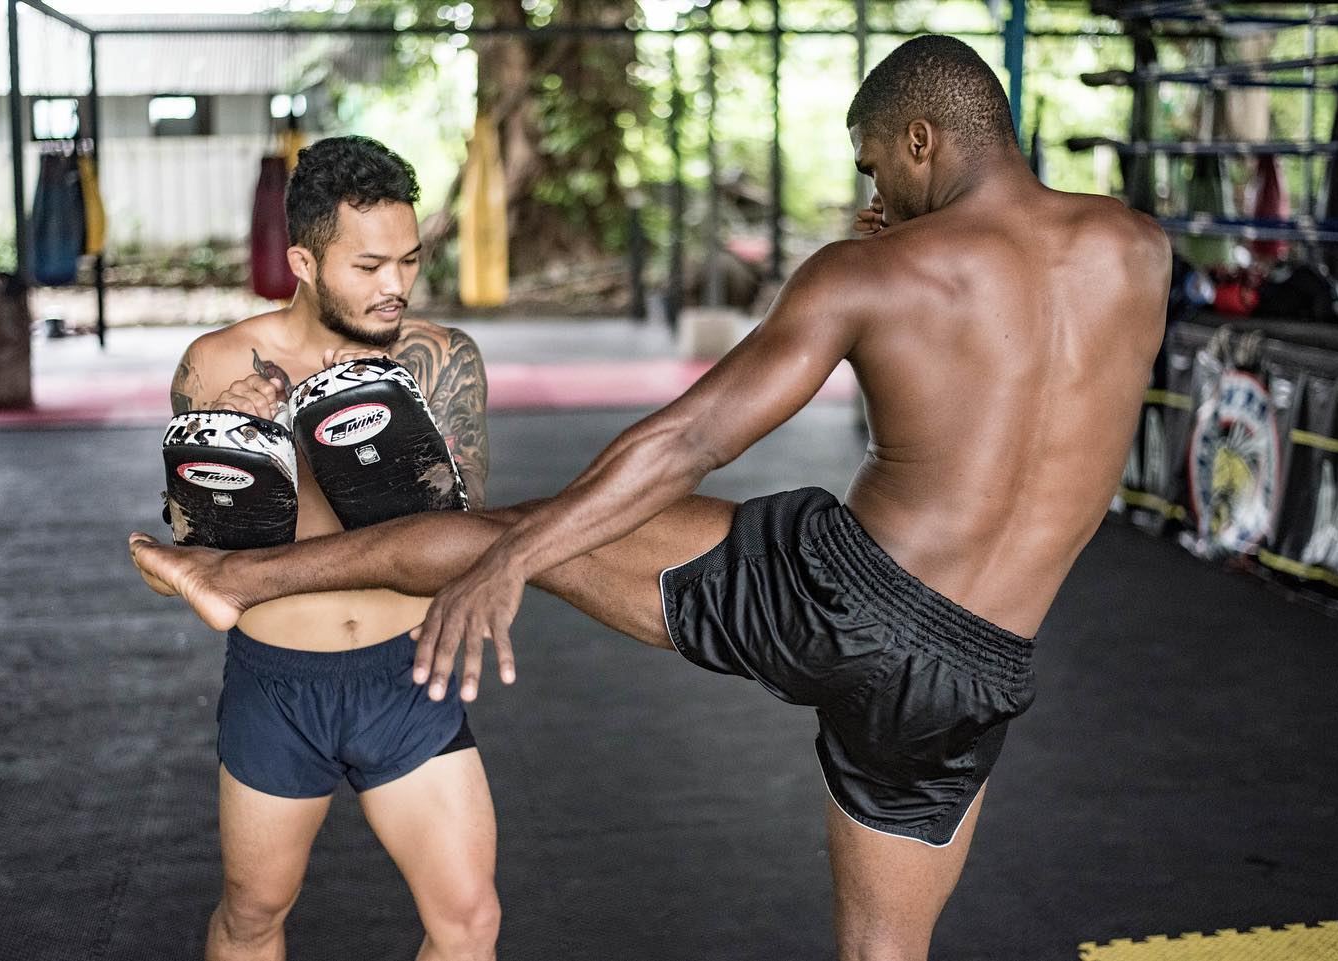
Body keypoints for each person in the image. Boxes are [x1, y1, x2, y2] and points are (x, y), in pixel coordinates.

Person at [131, 38, 1169, 961]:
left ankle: (239, 579)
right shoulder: (1140, 251)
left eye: (876, 167)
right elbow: (1024, 355)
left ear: (921, 138)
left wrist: (515, 559)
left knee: (492, 531)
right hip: (977, 667)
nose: (876, 191)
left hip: (839, 598)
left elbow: (691, 439)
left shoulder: (873, 270)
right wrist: (910, 229)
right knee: (889, 945)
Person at [166, 136, 499, 961]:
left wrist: (397, 442)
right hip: (277, 685)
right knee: (252, 917)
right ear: (305, 262)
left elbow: (470, 535)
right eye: (370, 265)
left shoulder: (440, 358)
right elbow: (187, 558)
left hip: (406, 674)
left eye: (410, 261)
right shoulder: (212, 365)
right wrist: (243, 447)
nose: (395, 286)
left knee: (470, 921)